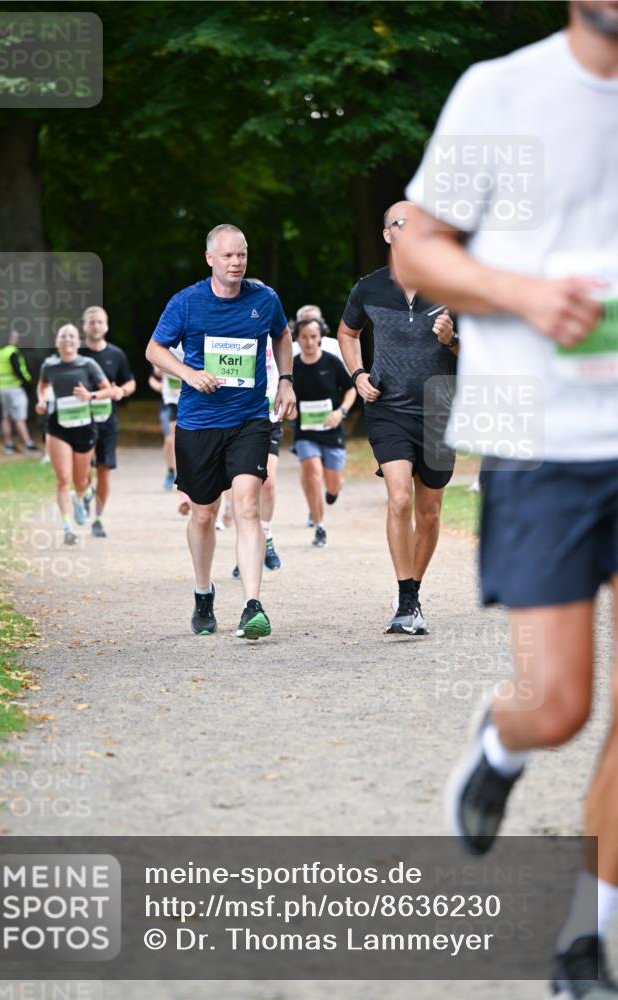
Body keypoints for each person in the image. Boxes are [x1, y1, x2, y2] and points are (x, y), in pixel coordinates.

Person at [398, 2, 618, 995]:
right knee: (560, 704)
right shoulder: (502, 90)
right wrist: (528, 296)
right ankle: (502, 737)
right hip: (543, 440)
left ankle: (588, 928)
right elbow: (418, 247)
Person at [145, 224, 296, 639]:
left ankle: (252, 606)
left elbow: (282, 334)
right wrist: (189, 374)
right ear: (210, 258)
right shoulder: (188, 302)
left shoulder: (264, 299)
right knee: (204, 513)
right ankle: (203, 591)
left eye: (242, 255)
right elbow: (154, 349)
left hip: (249, 419)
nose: (236, 262)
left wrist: (285, 379)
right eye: (228, 256)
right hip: (198, 423)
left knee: (247, 506)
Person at [338, 202, 458, 636]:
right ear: (387, 234)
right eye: (399, 224)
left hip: (440, 409)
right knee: (400, 499)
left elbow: (475, 352)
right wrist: (357, 373)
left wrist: (452, 339)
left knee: (428, 512)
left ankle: (414, 590)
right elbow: (347, 333)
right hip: (388, 408)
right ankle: (406, 600)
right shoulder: (369, 288)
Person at [35, 325, 113, 545]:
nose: (67, 339)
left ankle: (83, 495)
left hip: (83, 426)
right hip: (57, 427)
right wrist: (41, 400)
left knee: (80, 481)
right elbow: (42, 386)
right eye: (63, 336)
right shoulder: (49, 365)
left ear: (78, 342)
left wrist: (90, 395)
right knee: (63, 479)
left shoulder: (88, 364)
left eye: (71, 336)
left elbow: (108, 390)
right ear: (57, 341)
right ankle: (68, 527)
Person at [292, 317, 356, 548]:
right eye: (304, 337)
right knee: (312, 472)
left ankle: (333, 490)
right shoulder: (292, 366)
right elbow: (286, 395)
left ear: (320, 337)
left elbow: (351, 390)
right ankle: (319, 526)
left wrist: (341, 412)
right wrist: (289, 411)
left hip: (331, 430)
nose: (309, 342)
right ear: (297, 338)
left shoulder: (331, 362)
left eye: (313, 336)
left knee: (332, 484)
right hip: (305, 431)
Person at [79, 306, 136, 538]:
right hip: (79, 420)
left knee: (103, 469)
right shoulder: (77, 354)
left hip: (107, 420)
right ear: (84, 326)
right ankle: (84, 493)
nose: (95, 326)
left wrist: (122, 391)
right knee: (81, 470)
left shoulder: (116, 354)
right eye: (91, 322)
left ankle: (99, 518)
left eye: (99, 322)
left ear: (107, 326)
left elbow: (130, 382)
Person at [231, 332, 285, 576]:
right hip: (238, 419)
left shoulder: (278, 335)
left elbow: (291, 368)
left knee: (269, 483)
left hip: (269, 418)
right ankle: (245, 551)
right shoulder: (233, 331)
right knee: (243, 489)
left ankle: (267, 538)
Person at [0, 330, 39, 455]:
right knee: (19, 417)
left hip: (2, 387)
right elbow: (18, 370)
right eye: (14, 336)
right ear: (10, 338)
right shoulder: (12, 351)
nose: (16, 338)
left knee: (6, 416)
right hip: (15, 388)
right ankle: (28, 444)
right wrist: (27, 384)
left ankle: (8, 445)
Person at [149, 343, 185, 492]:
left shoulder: (193, 345)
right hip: (169, 402)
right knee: (170, 439)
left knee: (182, 440)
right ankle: (171, 471)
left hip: (186, 402)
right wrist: (157, 385)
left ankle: (183, 473)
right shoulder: (166, 346)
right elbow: (154, 376)